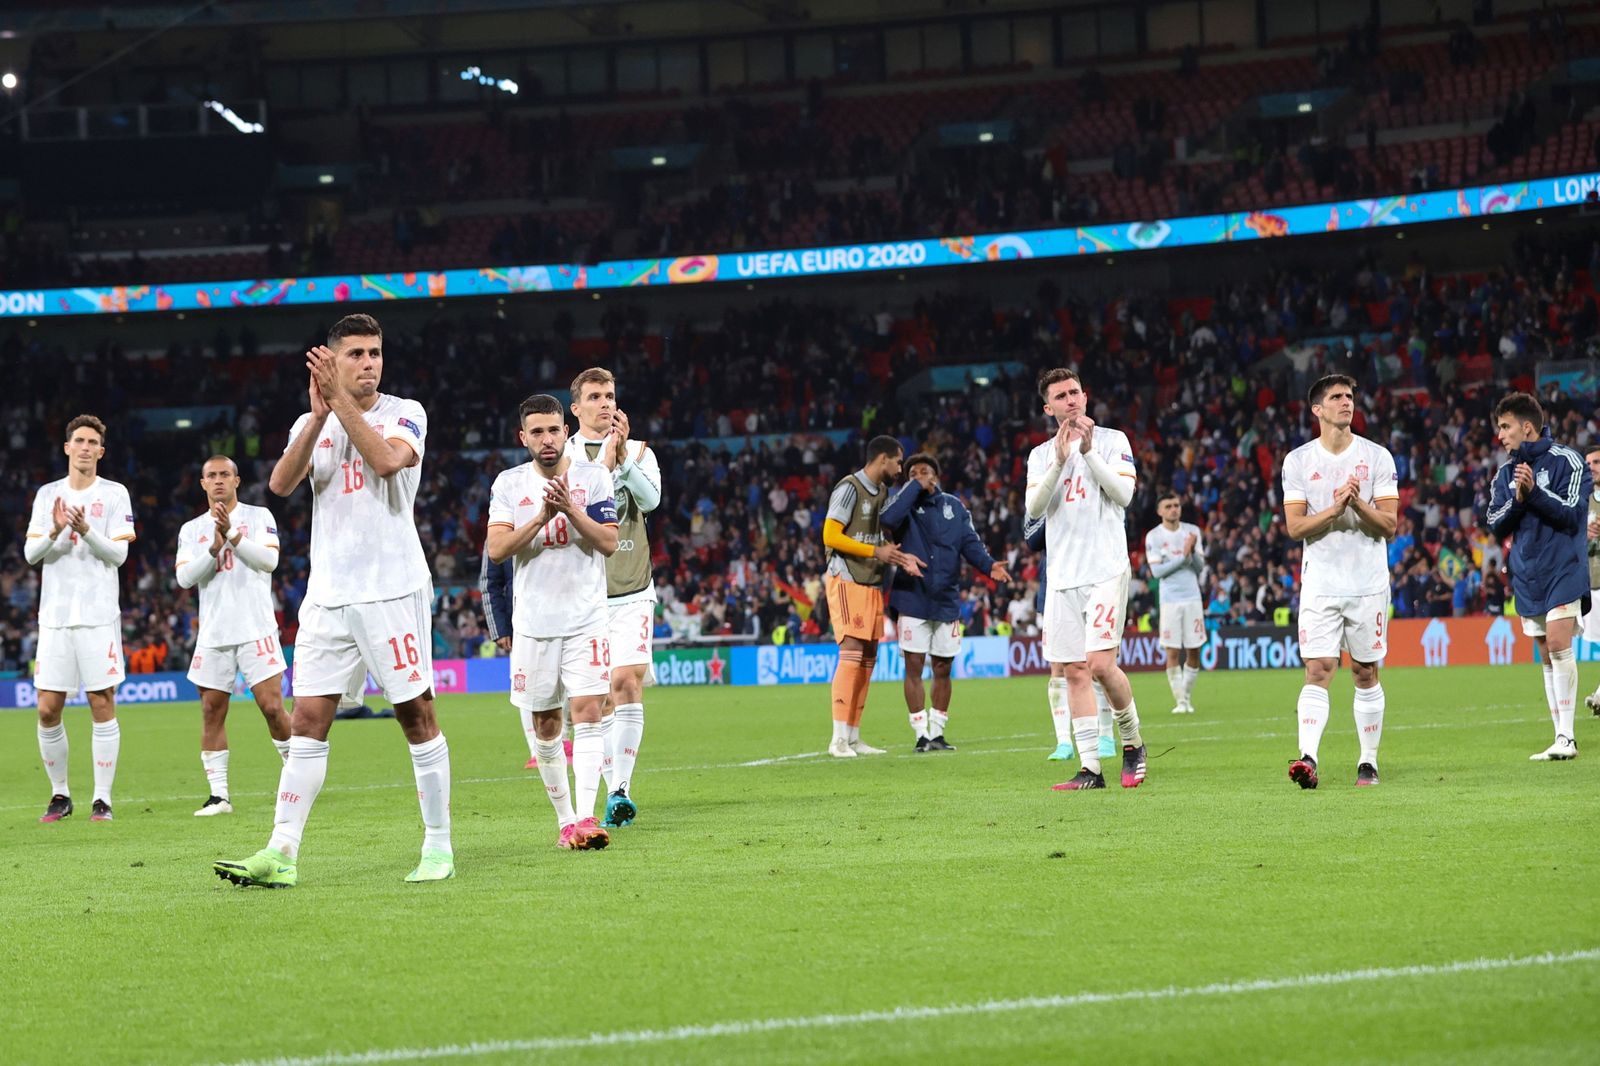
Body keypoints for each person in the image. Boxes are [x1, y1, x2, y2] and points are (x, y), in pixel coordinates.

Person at [214, 313, 453, 887]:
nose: (369, 363)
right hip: (328, 596)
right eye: (356, 355)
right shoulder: (313, 419)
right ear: (331, 358)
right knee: (307, 721)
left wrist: (340, 405)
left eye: (375, 353)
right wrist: (318, 417)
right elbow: (278, 484)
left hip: (391, 590)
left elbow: (387, 461)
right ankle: (282, 852)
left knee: (415, 715)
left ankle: (439, 847)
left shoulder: (405, 413)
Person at [487, 393, 619, 850]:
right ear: (523, 437)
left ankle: (586, 818)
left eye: (554, 429)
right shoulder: (508, 484)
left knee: (588, 714)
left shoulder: (594, 476)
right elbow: (497, 550)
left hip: (587, 619)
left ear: (567, 430)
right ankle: (565, 821)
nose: (547, 439)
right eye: (537, 431)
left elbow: (607, 543)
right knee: (546, 727)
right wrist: (542, 517)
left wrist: (570, 510)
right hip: (534, 625)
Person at [1024, 368, 1147, 791]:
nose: (1071, 400)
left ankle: (1132, 742)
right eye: (1061, 396)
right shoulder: (1041, 455)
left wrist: (1090, 453)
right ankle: (1091, 769)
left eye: (1075, 392)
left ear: (1085, 395)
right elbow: (1035, 508)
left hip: (1105, 569)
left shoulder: (1114, 441)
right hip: (1061, 576)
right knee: (1074, 670)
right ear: (1049, 407)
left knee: (1099, 664)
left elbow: (1125, 495)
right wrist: (1060, 461)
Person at [1281, 374, 1399, 789]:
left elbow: (1389, 524)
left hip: (1368, 583)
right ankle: (1308, 758)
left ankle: (1368, 762)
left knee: (1366, 672)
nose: (1346, 402)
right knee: (1319, 667)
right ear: (1318, 410)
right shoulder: (1298, 461)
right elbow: (1295, 528)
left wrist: (1358, 504)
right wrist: (1334, 509)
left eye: (1350, 395)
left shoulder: (1377, 456)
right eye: (1336, 397)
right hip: (1321, 585)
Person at [24, 414, 136, 823]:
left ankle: (102, 799)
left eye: (93, 442)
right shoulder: (47, 495)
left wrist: (87, 529)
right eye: (80, 441)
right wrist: (55, 531)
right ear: (67, 447)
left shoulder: (115, 494)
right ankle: (60, 795)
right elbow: (31, 556)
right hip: (55, 616)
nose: (86, 447)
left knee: (100, 701)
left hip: (98, 615)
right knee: (47, 709)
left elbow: (119, 555)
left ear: (100, 452)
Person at [564, 367, 662, 827]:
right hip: (583, 593)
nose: (605, 403)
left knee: (626, 681)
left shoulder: (641, 451)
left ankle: (621, 789)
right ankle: (608, 789)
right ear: (576, 407)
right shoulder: (561, 457)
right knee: (596, 699)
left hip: (632, 588)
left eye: (610, 395)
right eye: (595, 397)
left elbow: (651, 501)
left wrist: (622, 460)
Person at [174, 455, 292, 815]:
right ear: (203, 484)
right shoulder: (191, 529)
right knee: (212, 710)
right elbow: (184, 578)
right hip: (214, 633)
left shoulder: (259, 517)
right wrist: (212, 550)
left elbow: (269, 562)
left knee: (272, 707)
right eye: (212, 475)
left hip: (256, 628)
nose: (219, 480)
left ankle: (298, 777)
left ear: (237, 480)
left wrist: (233, 536)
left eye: (225, 474)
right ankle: (219, 796)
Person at [1486, 392, 1590, 761]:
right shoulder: (1503, 474)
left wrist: (1535, 493)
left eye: (1505, 426)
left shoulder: (1568, 461)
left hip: (1564, 566)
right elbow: (1495, 524)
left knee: (1561, 642)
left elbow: (1574, 515)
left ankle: (1567, 737)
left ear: (1526, 426)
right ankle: (1559, 735)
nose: (1499, 435)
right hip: (1528, 573)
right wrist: (1518, 498)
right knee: (1546, 653)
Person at [881, 452, 1009, 751]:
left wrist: (989, 566)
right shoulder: (903, 506)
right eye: (911, 472)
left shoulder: (954, 506)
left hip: (946, 599)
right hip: (912, 597)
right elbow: (886, 519)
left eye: (924, 471)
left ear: (935, 476)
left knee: (942, 667)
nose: (918, 475)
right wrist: (913, 487)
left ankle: (937, 733)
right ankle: (920, 735)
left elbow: (970, 543)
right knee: (914, 665)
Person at [821, 435, 924, 758]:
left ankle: (853, 736)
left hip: (872, 581)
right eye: (897, 461)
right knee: (851, 653)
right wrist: (874, 551)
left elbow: (881, 542)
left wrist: (899, 557)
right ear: (882, 459)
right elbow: (830, 534)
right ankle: (837, 738)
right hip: (848, 576)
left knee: (867, 658)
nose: (900, 468)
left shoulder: (881, 492)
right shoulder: (850, 487)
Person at [1024, 515, 1117, 762]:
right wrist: (1054, 512)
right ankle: (1063, 740)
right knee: (1058, 666)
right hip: (1056, 588)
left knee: (1098, 663)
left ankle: (1106, 736)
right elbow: (1032, 539)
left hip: (1096, 584)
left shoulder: (1095, 487)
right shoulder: (1041, 492)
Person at [1144, 492, 1207, 714]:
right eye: (1168, 506)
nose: (1174, 509)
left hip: (1192, 597)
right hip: (1170, 600)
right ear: (1160, 511)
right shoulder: (1154, 536)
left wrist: (1191, 552)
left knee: (1194, 651)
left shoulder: (1192, 532)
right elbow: (1157, 571)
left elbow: (1200, 568)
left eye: (1177, 505)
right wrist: (1184, 556)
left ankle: (1186, 698)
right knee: (1172, 652)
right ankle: (1180, 701)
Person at [1582, 447, 1600, 717]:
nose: (1592, 467)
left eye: (1597, 462)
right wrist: (1582, 536)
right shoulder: (1583, 502)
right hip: (1593, 582)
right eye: (1589, 463)